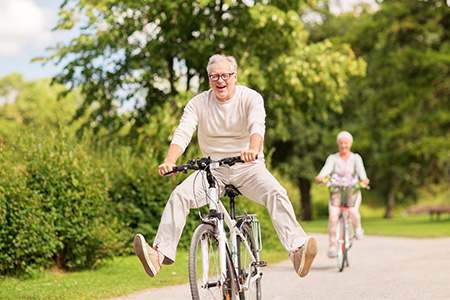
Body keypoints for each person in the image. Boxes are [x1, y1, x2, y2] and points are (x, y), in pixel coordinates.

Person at [133, 54, 318, 279]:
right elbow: (183, 132)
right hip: (212, 170)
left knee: (276, 192)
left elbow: (257, 126)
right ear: (209, 79)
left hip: (248, 167)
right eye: (214, 76)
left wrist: (253, 149)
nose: (220, 81)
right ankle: (158, 255)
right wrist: (169, 160)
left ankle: (297, 251)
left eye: (225, 75)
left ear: (234, 76)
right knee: (179, 195)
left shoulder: (250, 98)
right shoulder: (198, 102)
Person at [315, 131, 370, 258]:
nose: (343, 146)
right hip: (337, 192)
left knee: (353, 211)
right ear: (338, 144)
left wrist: (364, 179)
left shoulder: (356, 158)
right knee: (333, 217)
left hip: (352, 192)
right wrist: (320, 176)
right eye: (341, 143)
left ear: (350, 144)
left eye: (346, 143)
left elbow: (362, 173)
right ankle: (333, 246)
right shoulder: (333, 158)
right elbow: (326, 170)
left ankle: (357, 228)